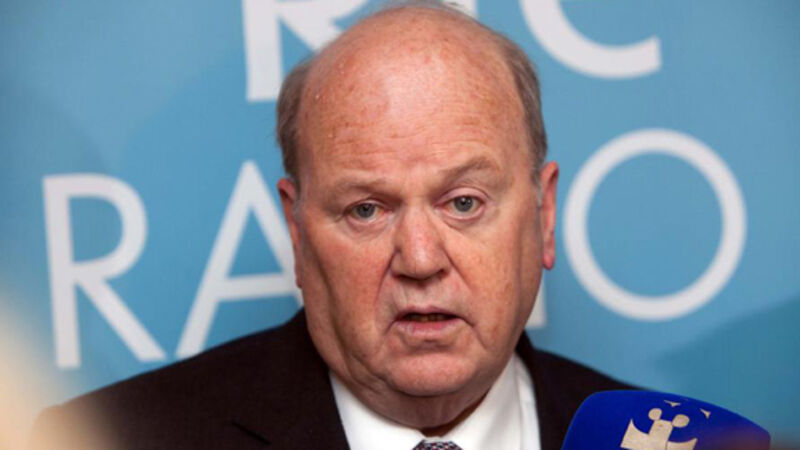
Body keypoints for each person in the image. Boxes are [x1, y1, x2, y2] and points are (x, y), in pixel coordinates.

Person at [29, 2, 634, 449]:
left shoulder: (667, 439)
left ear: (543, 214)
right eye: (366, 209)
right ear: (297, 233)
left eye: (463, 203)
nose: (421, 259)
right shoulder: (101, 441)